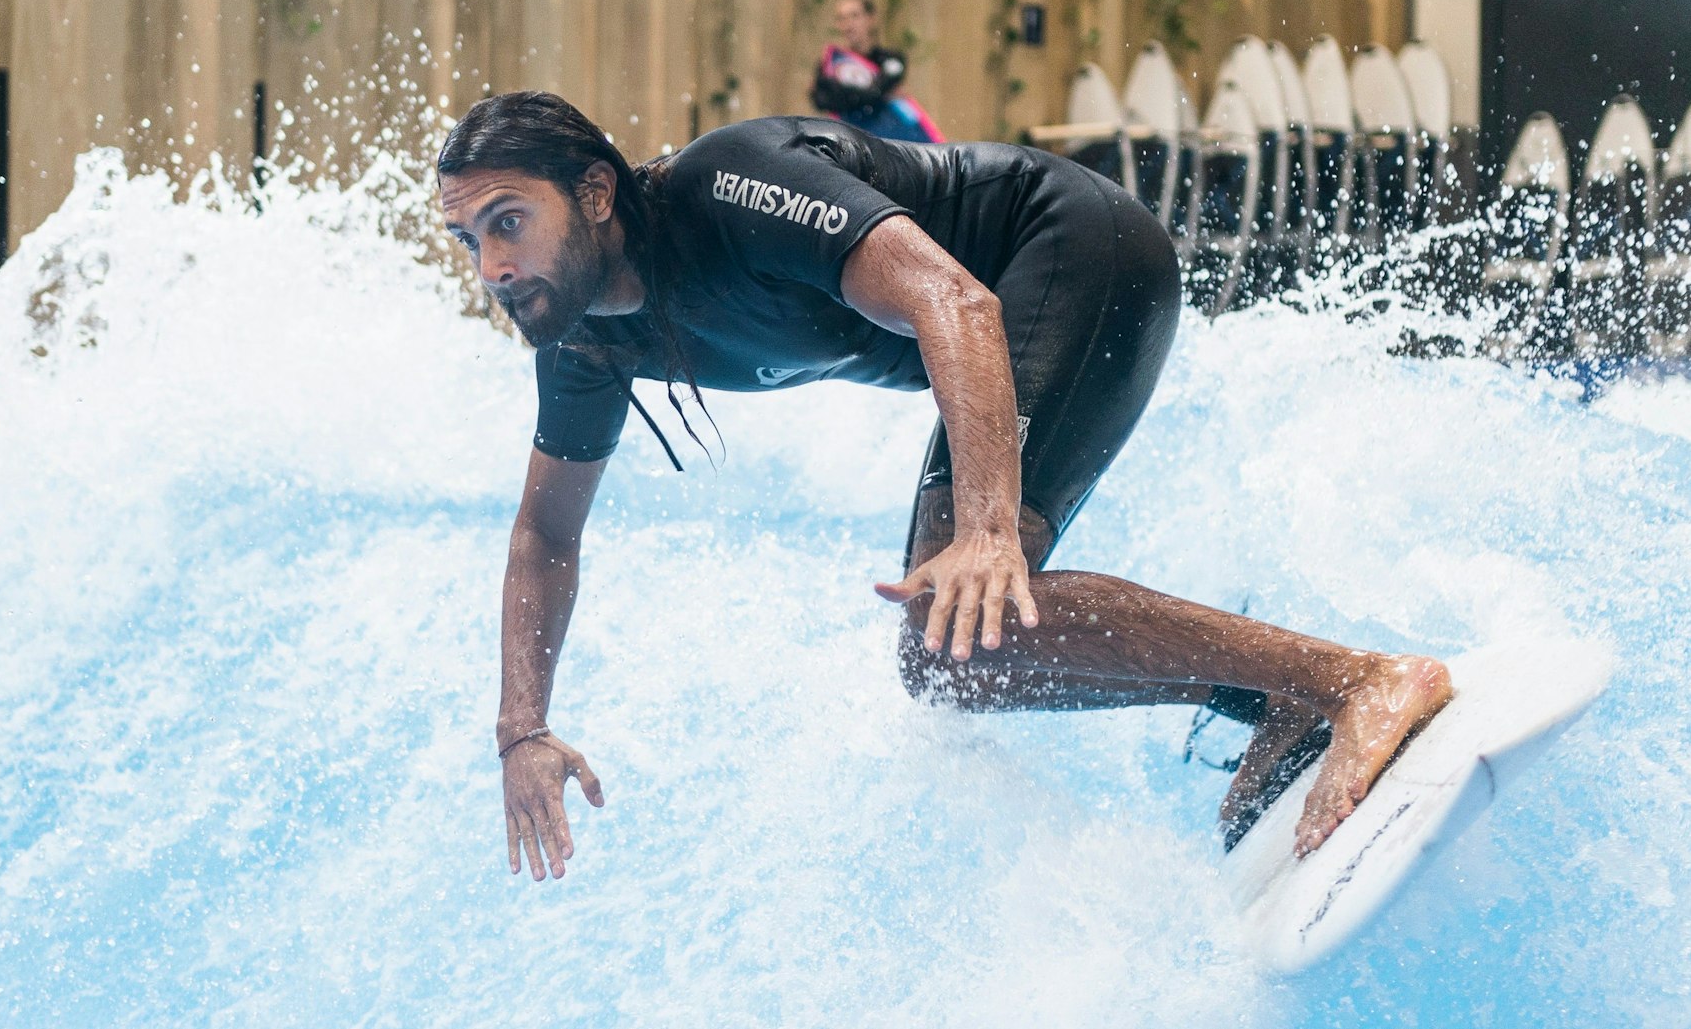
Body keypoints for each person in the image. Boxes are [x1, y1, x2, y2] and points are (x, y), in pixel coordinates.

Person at [436, 91, 1452, 883]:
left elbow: (949, 295)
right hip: (989, 331)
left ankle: (1359, 678)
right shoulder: (585, 342)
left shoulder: (730, 185)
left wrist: (987, 531)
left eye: (508, 221)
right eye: (470, 239)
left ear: (598, 193)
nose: (490, 263)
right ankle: (1271, 692)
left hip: (1071, 253)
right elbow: (544, 534)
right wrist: (521, 729)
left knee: (968, 610)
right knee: (946, 660)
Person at [809, 0, 944, 144]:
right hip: (851, 143)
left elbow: (874, 91)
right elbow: (821, 100)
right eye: (842, 18)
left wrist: (840, 92)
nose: (848, 24)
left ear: (870, 19)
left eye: (854, 16)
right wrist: (878, 95)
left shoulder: (892, 59)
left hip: (889, 143)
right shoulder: (831, 63)